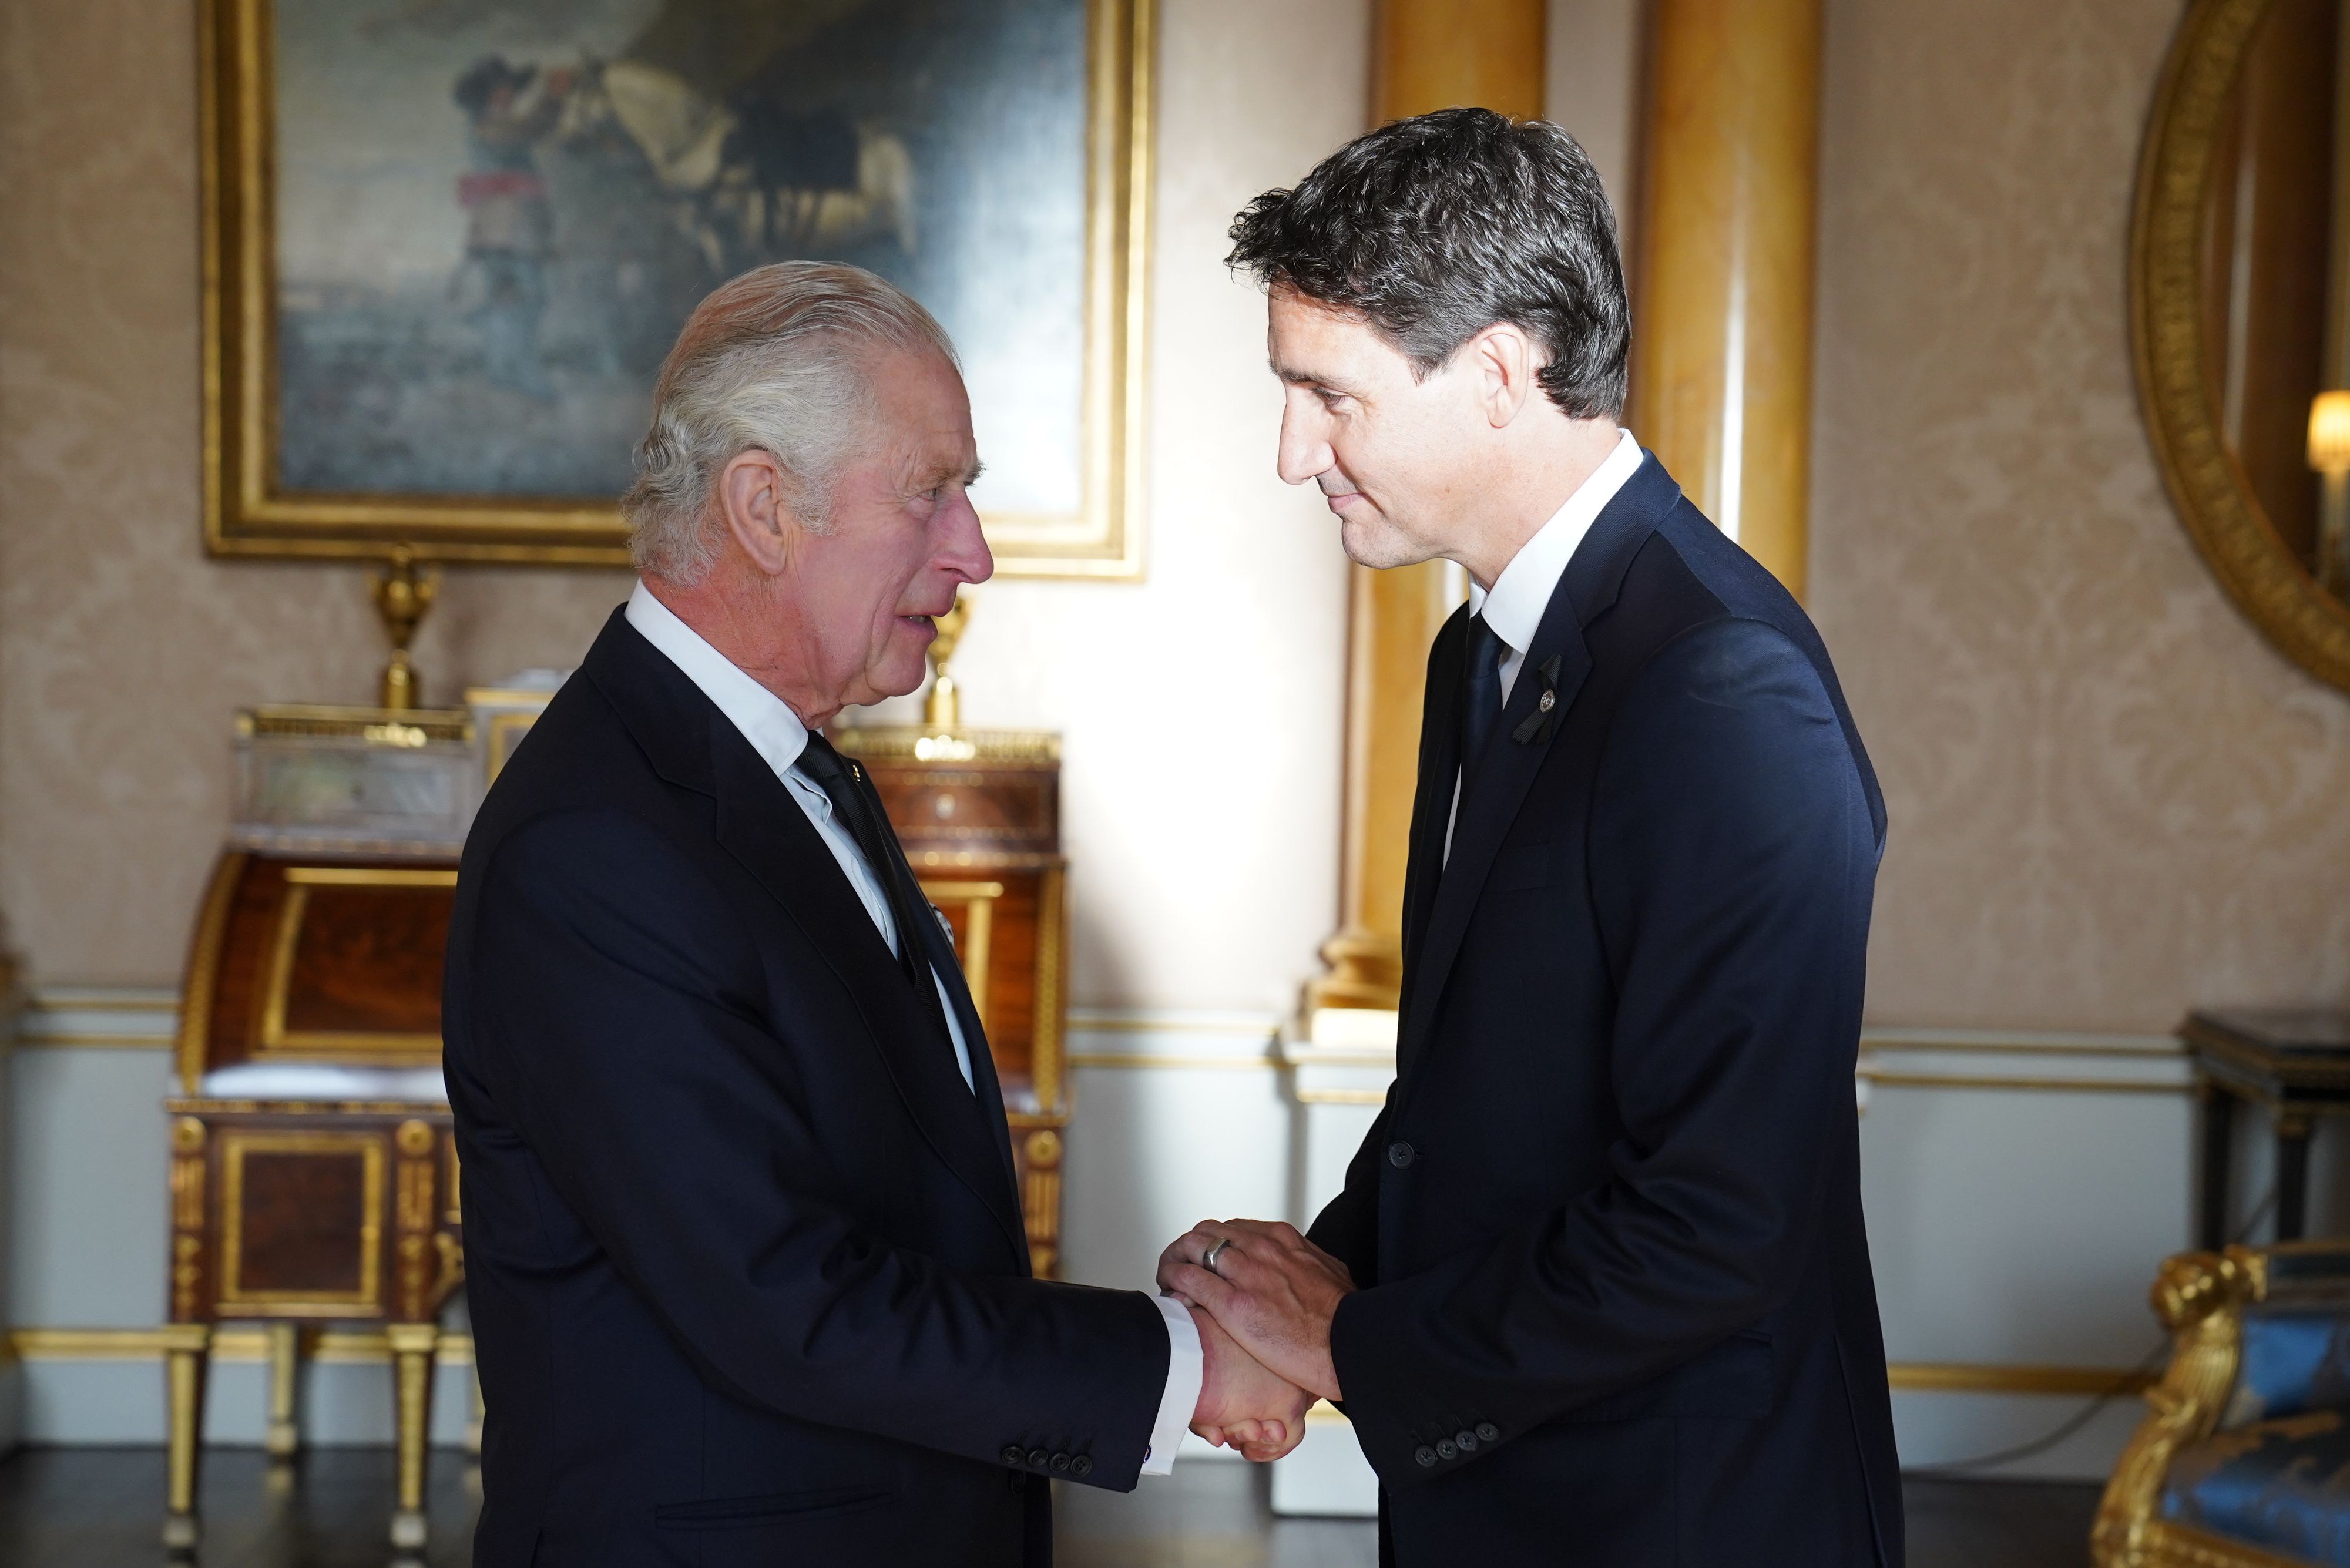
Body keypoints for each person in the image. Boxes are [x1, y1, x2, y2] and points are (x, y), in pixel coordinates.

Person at [442, 261, 1307, 1567]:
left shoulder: (789, 770)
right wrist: (1180, 1365)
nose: (974, 551)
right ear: (762, 507)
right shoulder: (596, 845)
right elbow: (783, 1301)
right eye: (929, 492)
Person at [1159, 108, 1904, 1566]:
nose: (1290, 451)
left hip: (1677, 1519)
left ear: (1498, 372)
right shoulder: (1482, 653)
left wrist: (1354, 1347)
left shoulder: (1718, 683)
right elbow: (1480, 1100)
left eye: (1331, 396)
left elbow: (1715, 1220)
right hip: (1520, 1494)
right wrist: (1304, 1280)